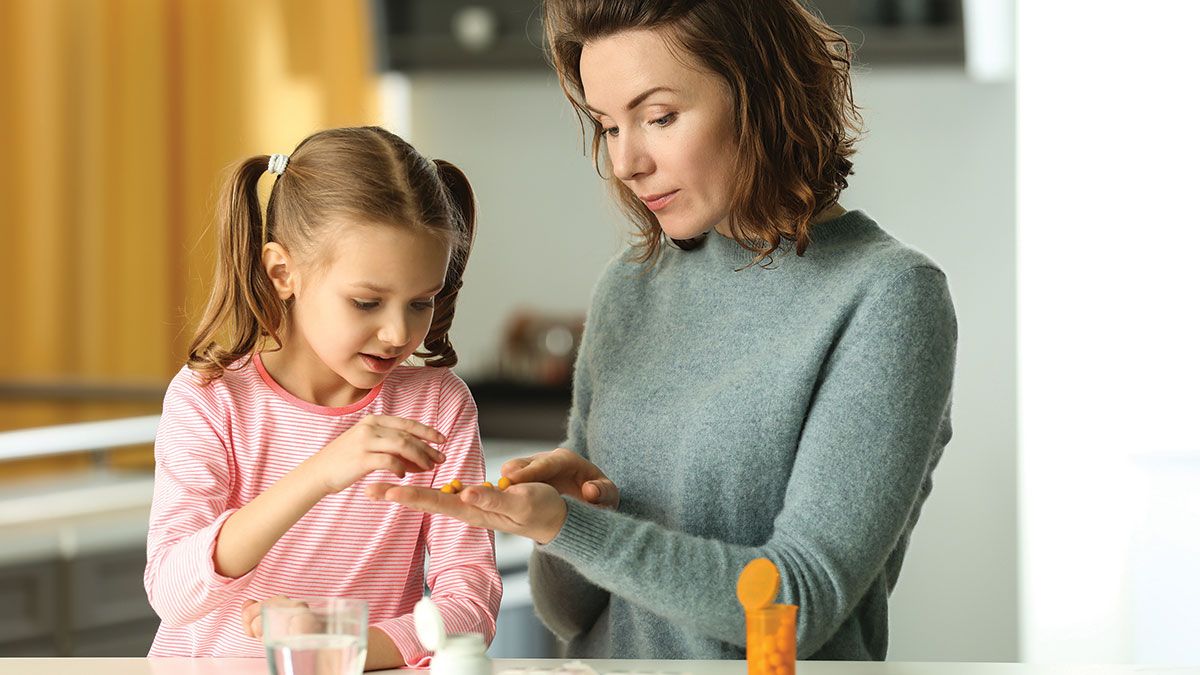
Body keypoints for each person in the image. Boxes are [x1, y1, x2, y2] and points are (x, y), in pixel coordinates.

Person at [370, 0, 957, 662]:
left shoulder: (887, 297)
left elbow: (798, 604)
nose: (626, 161)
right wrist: (565, 524)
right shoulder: (631, 285)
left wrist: (576, 527)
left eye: (658, 117)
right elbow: (570, 613)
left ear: (761, 94)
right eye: (608, 126)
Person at [143, 127, 501, 670]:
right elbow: (172, 592)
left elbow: (470, 605)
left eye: (421, 302)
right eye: (366, 302)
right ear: (284, 273)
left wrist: (333, 645)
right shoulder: (211, 400)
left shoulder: (437, 407)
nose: (397, 333)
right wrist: (321, 472)